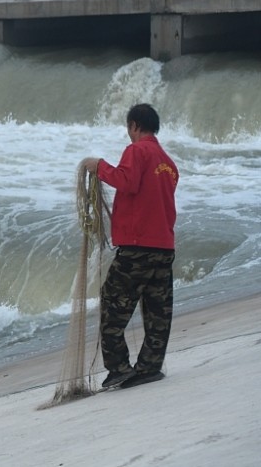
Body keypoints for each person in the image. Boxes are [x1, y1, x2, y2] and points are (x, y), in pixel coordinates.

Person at [82, 103, 179, 390]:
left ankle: (119, 368)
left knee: (112, 305)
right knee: (157, 310)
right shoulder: (168, 163)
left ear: (134, 125)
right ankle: (149, 367)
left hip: (137, 248)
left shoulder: (136, 151)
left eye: (129, 128)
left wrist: (98, 167)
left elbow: (127, 181)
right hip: (163, 247)